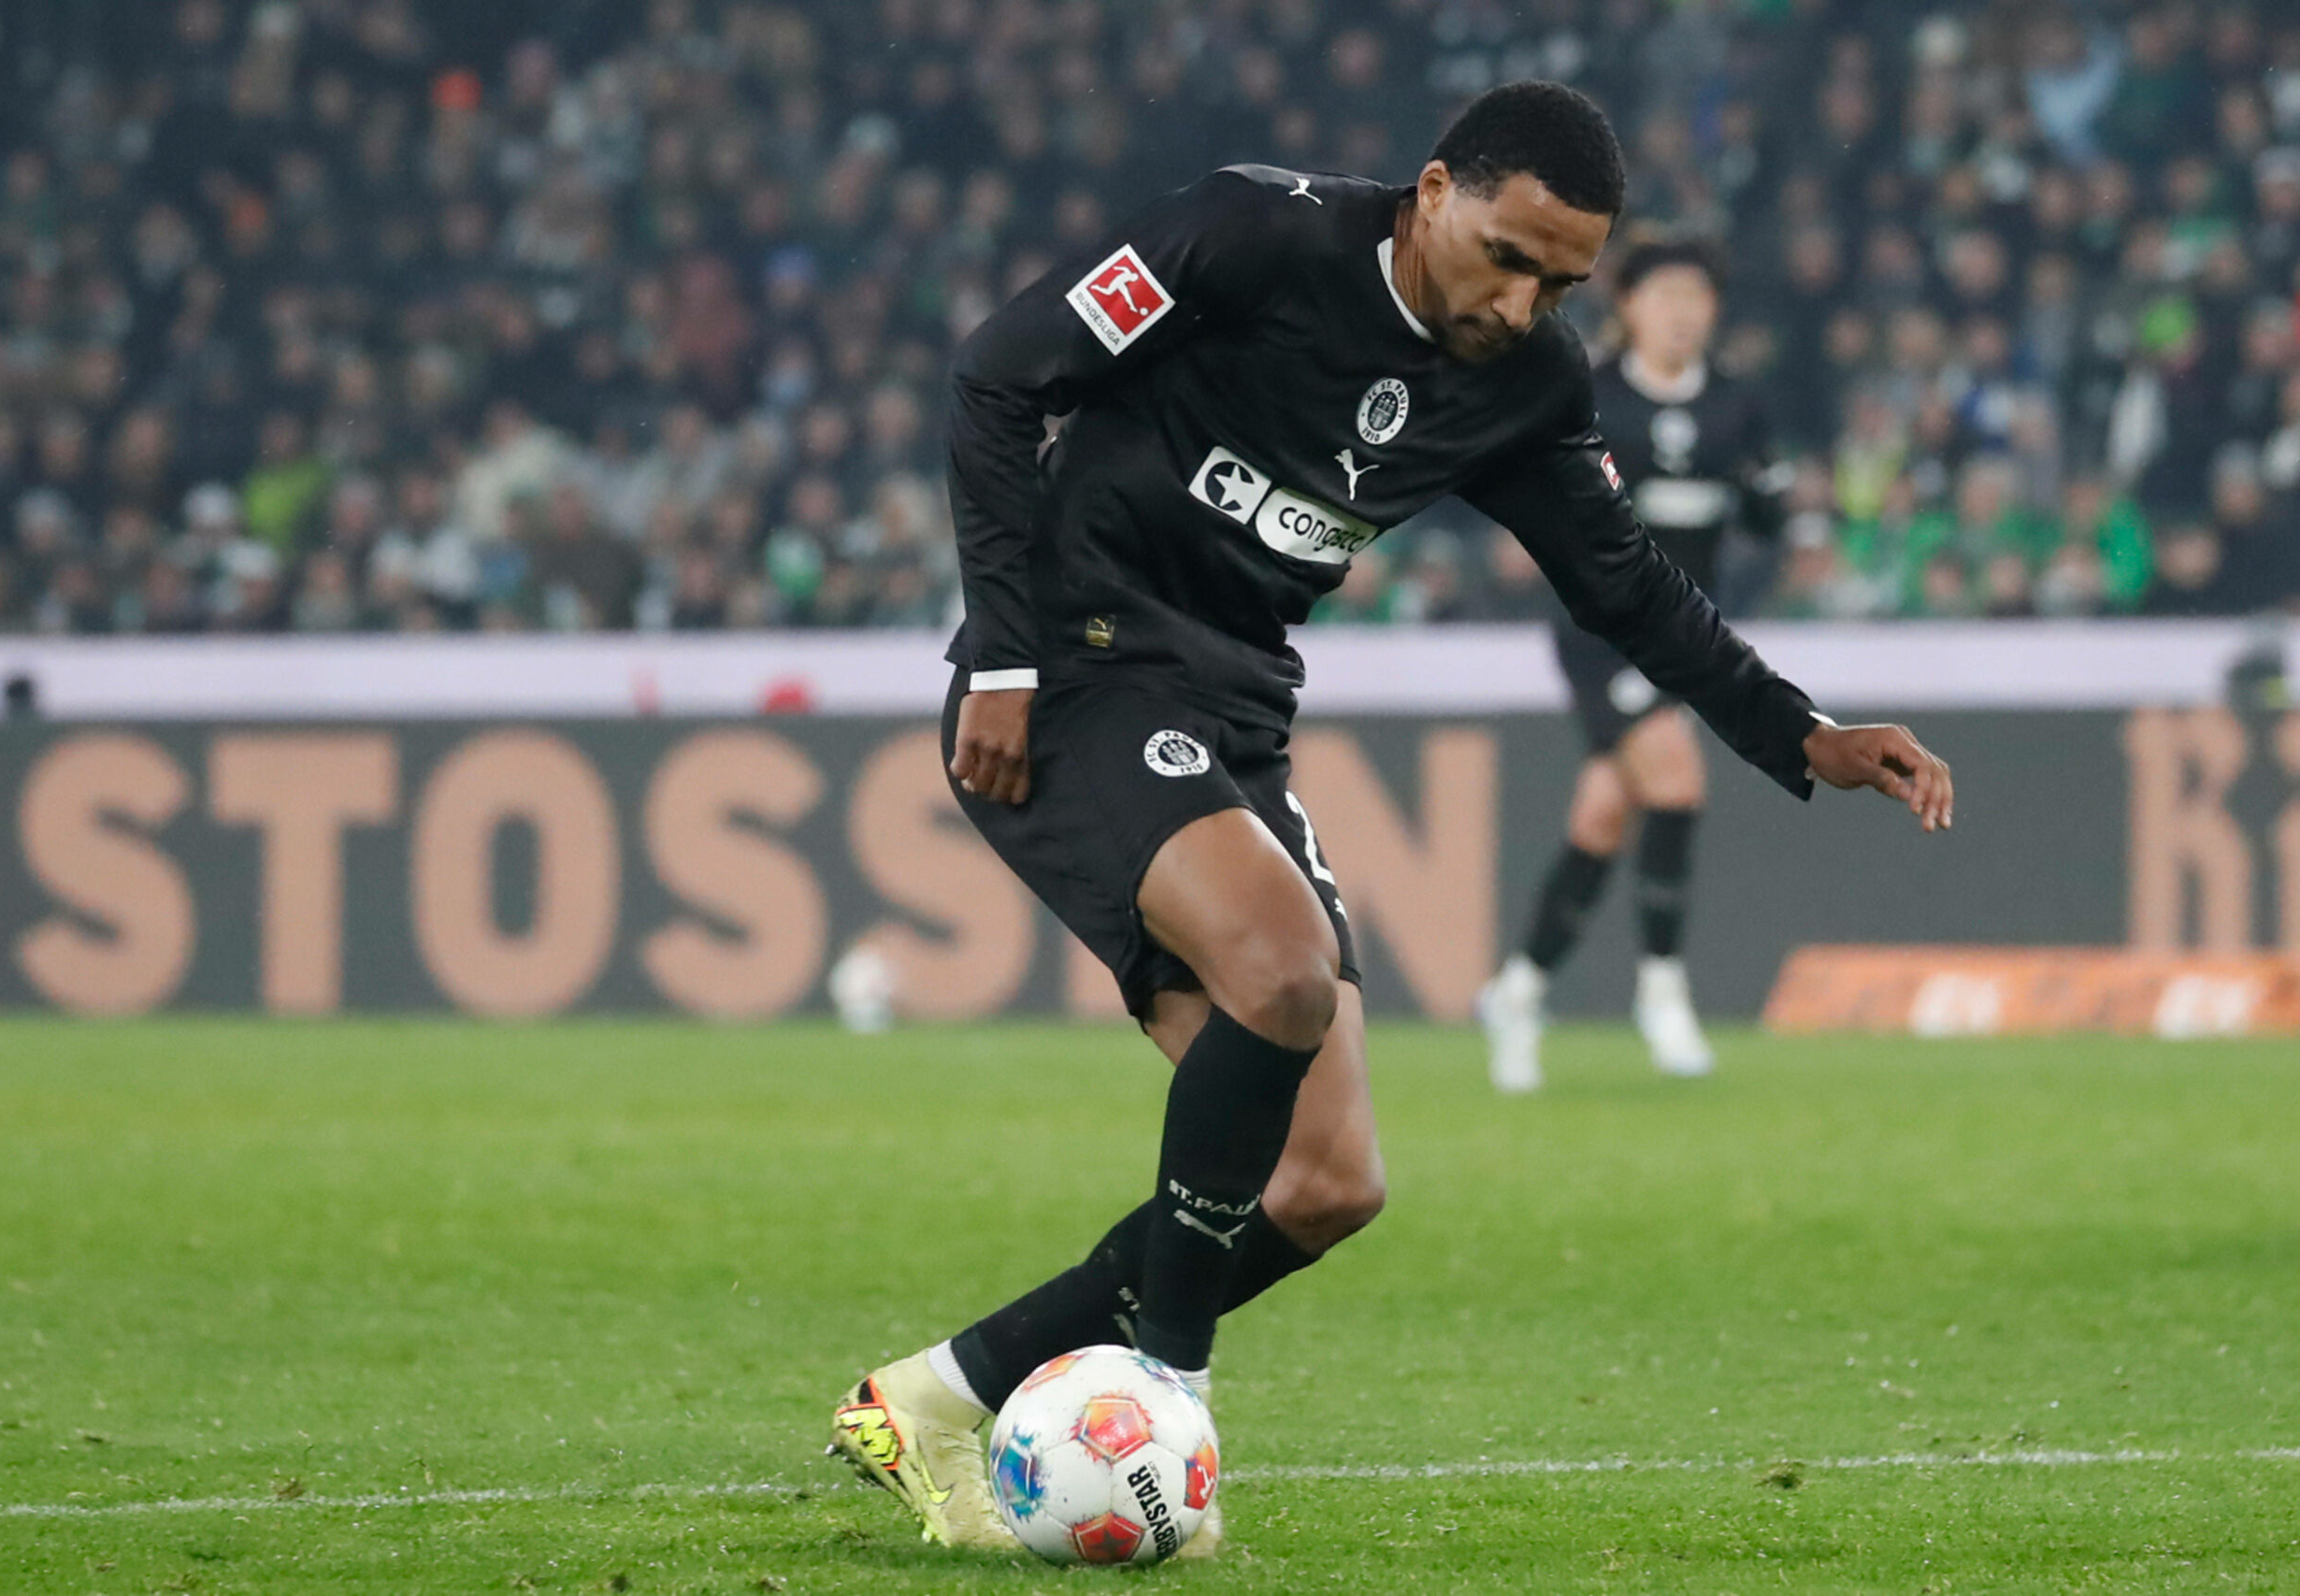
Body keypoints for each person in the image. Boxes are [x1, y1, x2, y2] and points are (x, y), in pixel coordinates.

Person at [827, 82, 1954, 1558]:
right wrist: (1002, 647)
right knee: (1285, 972)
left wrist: (1798, 730)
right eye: (1507, 253)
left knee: (1325, 1178)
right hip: (1082, 667)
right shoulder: (1244, 238)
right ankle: (1168, 1382)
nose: (1524, 299)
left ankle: (921, 1396)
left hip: (1236, 710)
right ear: (1432, 192)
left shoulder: (1529, 383)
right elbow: (995, 376)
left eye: (1563, 279)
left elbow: (1627, 585)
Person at [1477, 238, 1786, 1093]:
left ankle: (1517, 990)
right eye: (1666, 293)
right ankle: (1662, 991)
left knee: (1603, 817)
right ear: (1631, 306)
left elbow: (1768, 520)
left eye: (1698, 294)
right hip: (1598, 628)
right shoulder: (1593, 392)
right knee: (1678, 784)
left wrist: (1774, 509)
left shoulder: (1738, 405)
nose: (1684, 310)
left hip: (1677, 632)